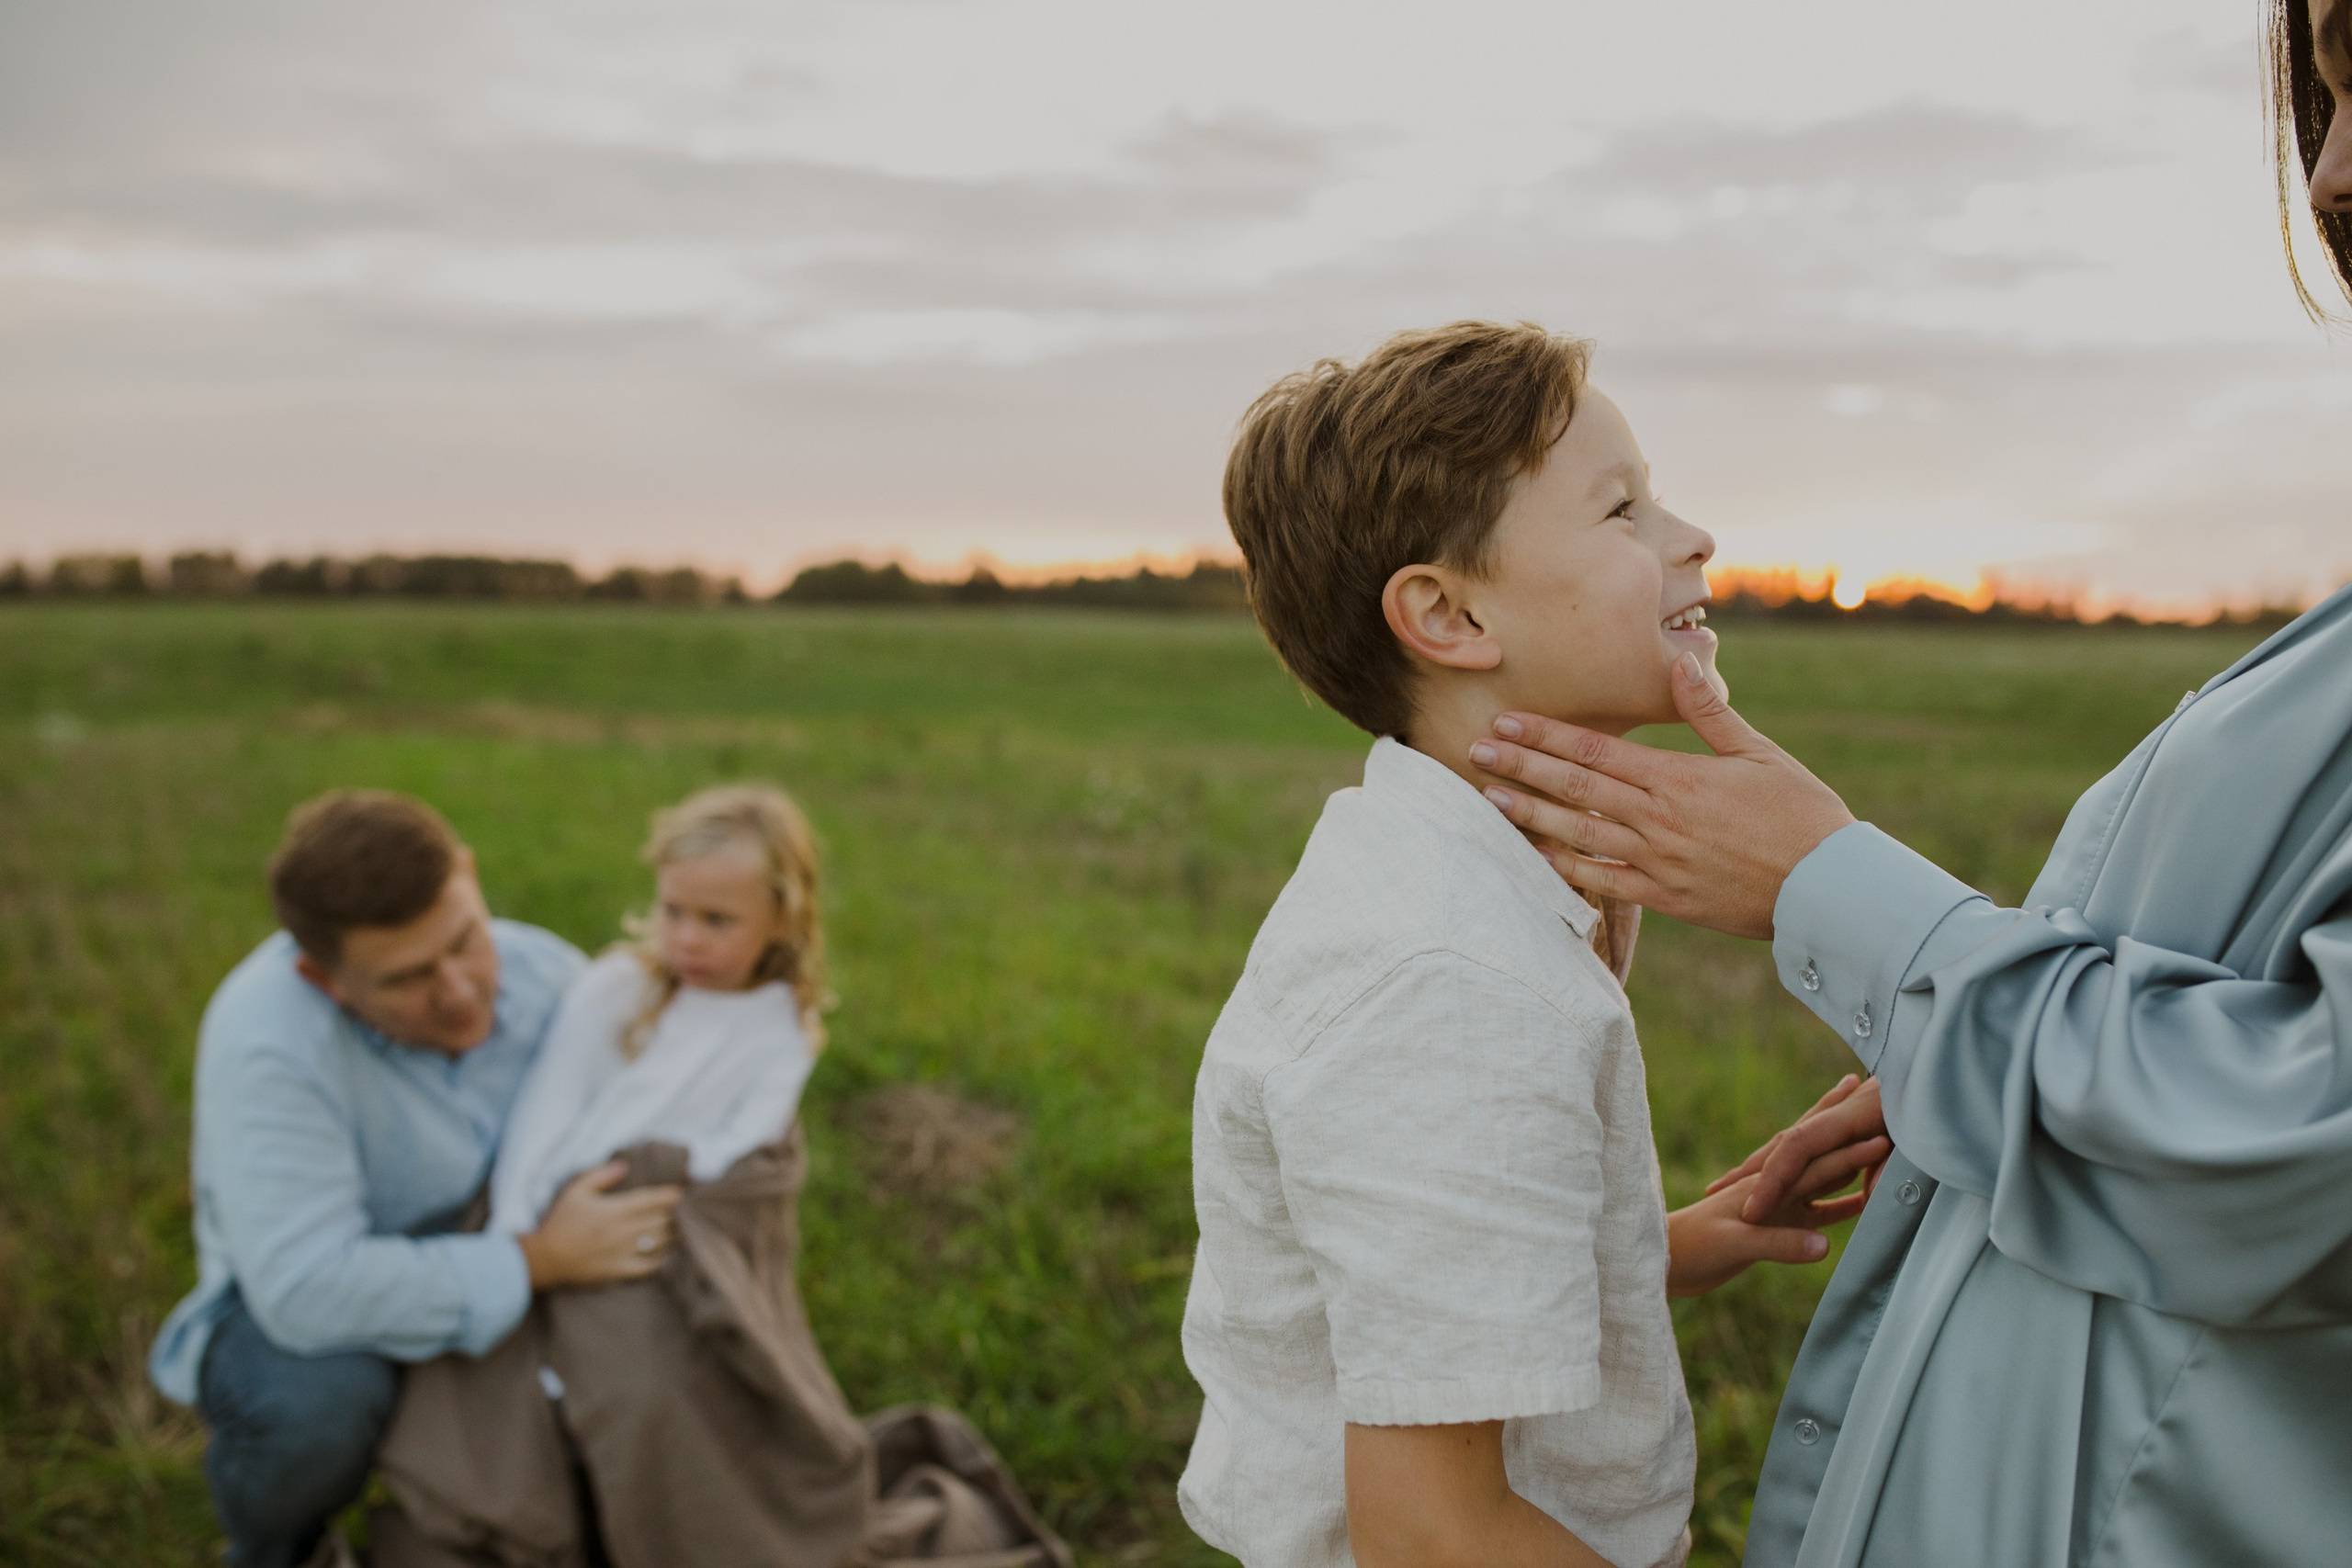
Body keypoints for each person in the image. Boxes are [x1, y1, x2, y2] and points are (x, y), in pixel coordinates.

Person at [1461, 6, 2352, 1562]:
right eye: (2329, 95)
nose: (2331, 176)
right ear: (1447, 612)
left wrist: (1850, 905)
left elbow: (2300, 1139)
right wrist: (1969, 1068)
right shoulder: (1415, 952)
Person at [1179, 321, 1893, 1568]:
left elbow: (1414, 1299)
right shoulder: (1444, 991)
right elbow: (1436, 1533)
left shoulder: (1466, 887)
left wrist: (1651, 1247)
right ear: (1449, 613)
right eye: (1623, 511)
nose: (1691, 538)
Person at [146, 791, 685, 1568]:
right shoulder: (269, 1045)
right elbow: (306, 1289)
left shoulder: (549, 976)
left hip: (509, 1253)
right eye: (406, 979)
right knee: (314, 1409)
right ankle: (281, 1549)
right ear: (322, 977)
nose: (461, 990)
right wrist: (538, 1261)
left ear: (467, 874)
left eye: (466, 939)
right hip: (309, 1307)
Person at [487, 784, 827, 1242]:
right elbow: (548, 1103)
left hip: (663, 1226)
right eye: (673, 912)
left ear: (782, 918)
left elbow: (740, 1147)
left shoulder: (781, 1032)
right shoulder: (618, 988)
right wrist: (513, 1225)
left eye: (716, 920)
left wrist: (649, 1193)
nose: (687, 938)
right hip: (547, 1202)